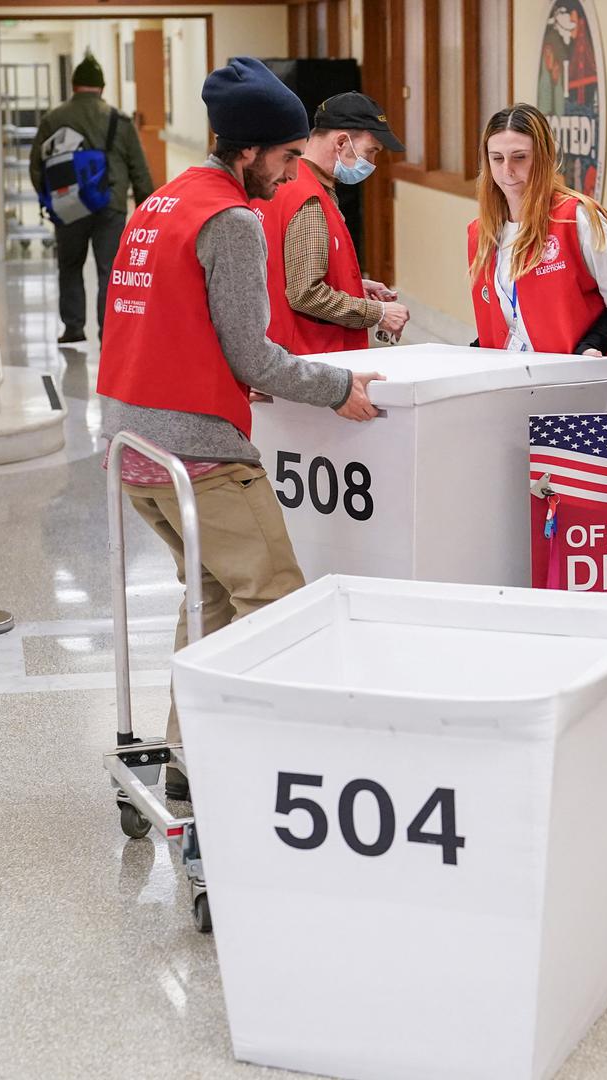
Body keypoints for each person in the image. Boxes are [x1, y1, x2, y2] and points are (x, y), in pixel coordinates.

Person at [96, 56, 384, 801]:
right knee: (280, 604)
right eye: (288, 156)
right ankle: (270, 773)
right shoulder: (232, 220)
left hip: (133, 449)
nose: (291, 174)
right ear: (250, 150)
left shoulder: (160, 202)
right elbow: (251, 351)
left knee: (212, 598)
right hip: (199, 454)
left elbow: (163, 326)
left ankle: (190, 753)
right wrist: (334, 385)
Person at [467, 103, 607, 374]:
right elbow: (505, 315)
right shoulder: (482, 232)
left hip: (571, 374)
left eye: (519, 157)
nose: (507, 170)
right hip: (517, 374)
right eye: (497, 158)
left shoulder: (575, 218)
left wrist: (593, 344)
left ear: (543, 157)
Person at [252, 92, 410, 353]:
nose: (372, 164)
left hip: (274, 342)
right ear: (340, 142)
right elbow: (305, 293)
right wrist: (378, 313)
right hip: (310, 355)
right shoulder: (309, 199)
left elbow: (287, 269)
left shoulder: (278, 183)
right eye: (371, 152)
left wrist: (351, 286)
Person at [30, 54, 155, 346]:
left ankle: (73, 327)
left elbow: (36, 165)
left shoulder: (53, 118)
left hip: (69, 205)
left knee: (70, 266)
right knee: (109, 270)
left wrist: (50, 200)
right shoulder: (119, 120)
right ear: (101, 87)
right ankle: (109, 332)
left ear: (74, 85)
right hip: (110, 205)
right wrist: (146, 212)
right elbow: (139, 169)